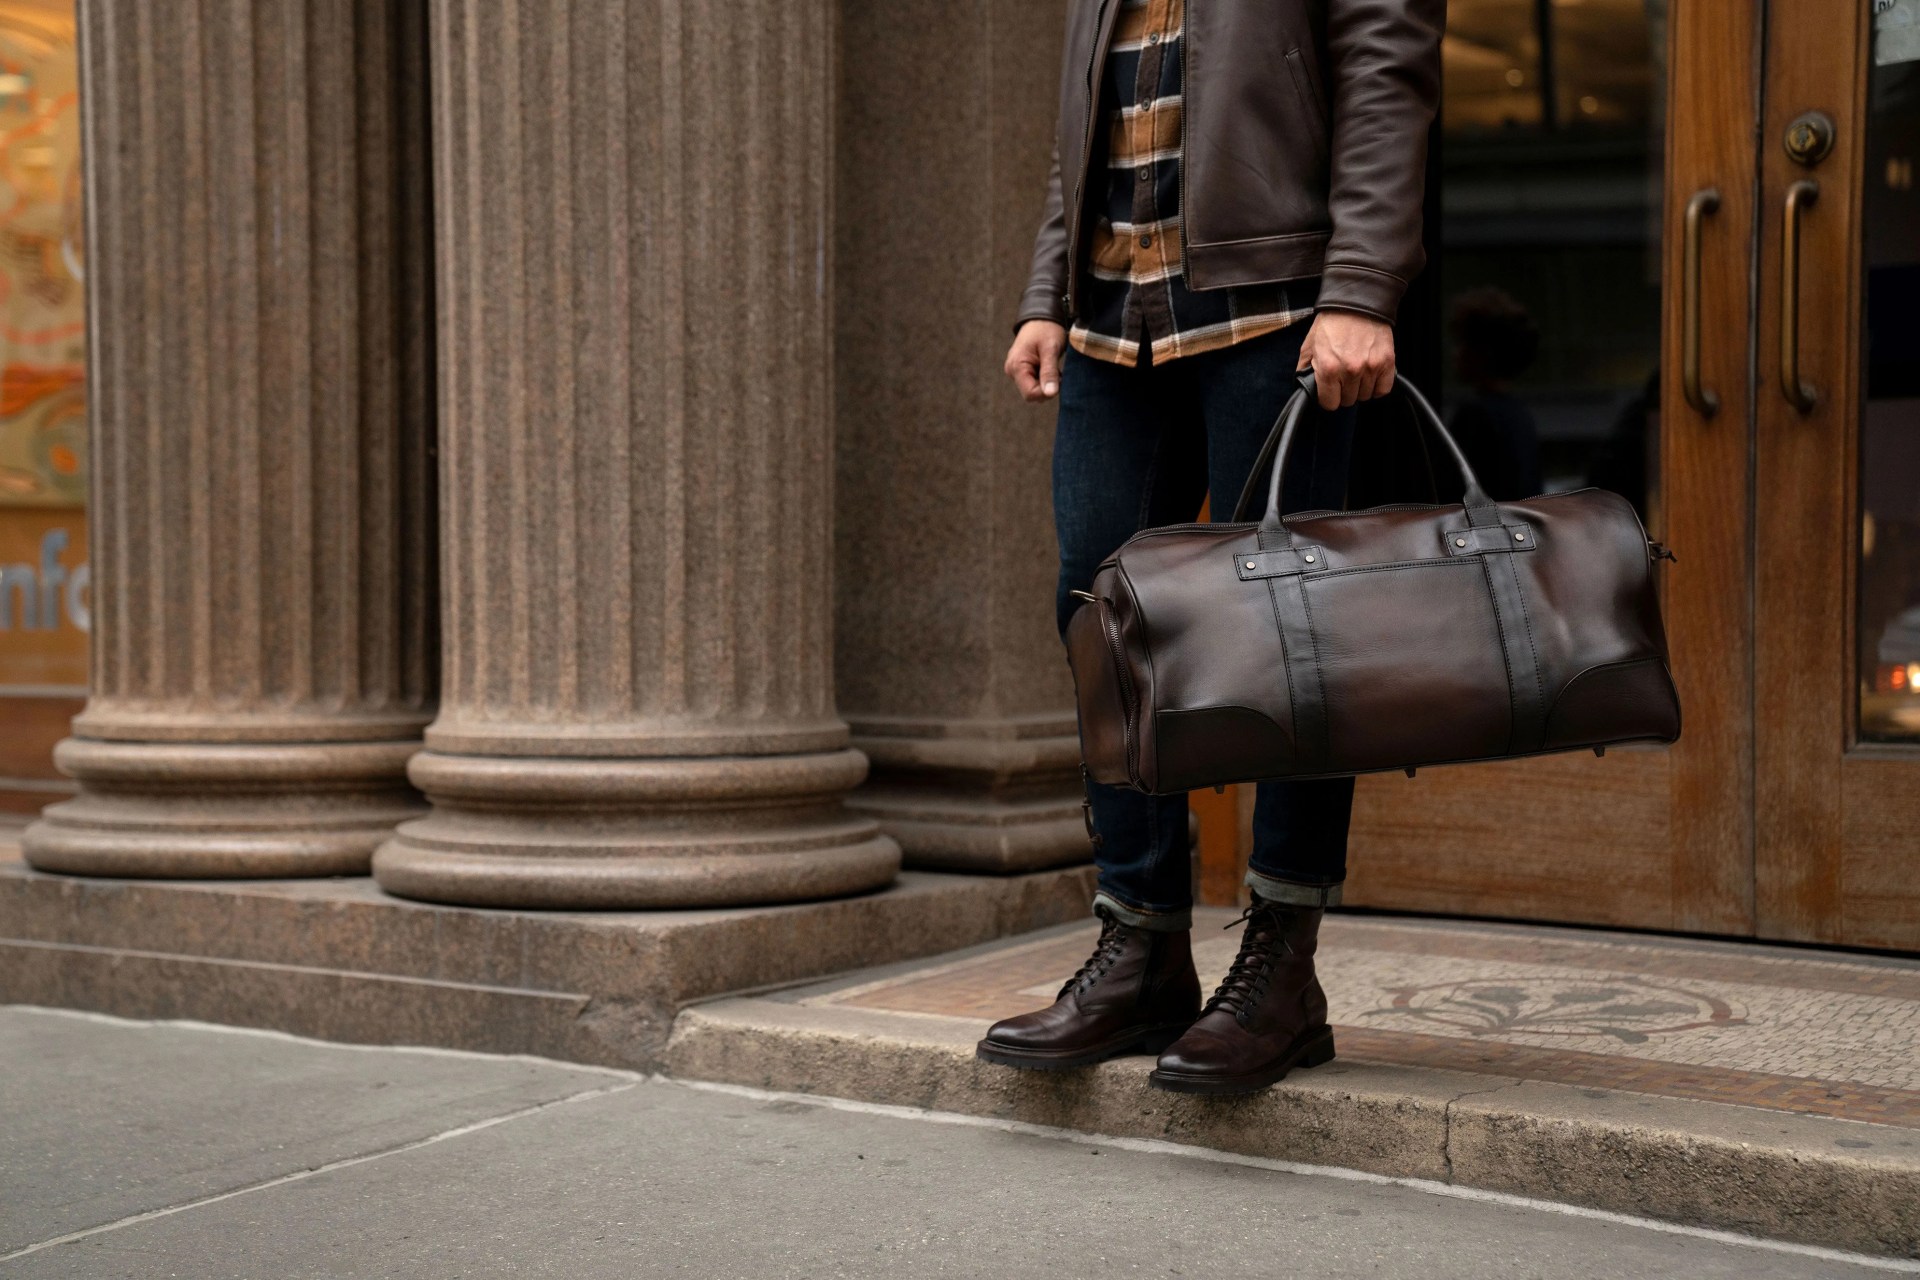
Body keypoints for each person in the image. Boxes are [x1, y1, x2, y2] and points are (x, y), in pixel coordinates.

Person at [979, 0, 1444, 1095]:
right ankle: (1140, 947)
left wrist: (1363, 284)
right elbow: (1085, 120)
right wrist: (1048, 290)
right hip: (1109, 318)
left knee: (1293, 634)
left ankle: (1283, 968)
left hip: (1274, 308)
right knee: (1103, 622)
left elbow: (1386, 73)